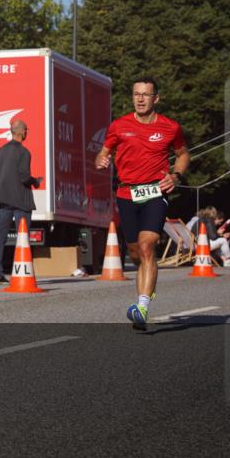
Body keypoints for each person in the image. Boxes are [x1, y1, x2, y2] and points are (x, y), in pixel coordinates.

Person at [95, 77, 189, 330]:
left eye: (146, 94)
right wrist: (101, 161)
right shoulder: (119, 126)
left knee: (148, 246)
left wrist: (176, 176)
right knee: (136, 253)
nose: (140, 99)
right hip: (126, 194)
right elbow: (103, 153)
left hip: (155, 193)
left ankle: (143, 306)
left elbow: (183, 154)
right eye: (136, 94)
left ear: (155, 98)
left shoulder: (171, 127)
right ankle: (145, 293)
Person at [0, 119, 41, 285]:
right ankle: (23, 272)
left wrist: (6, 177)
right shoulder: (24, 153)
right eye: (26, 130)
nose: (27, 133)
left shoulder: (0, 150)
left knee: (0, 238)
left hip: (4, 200)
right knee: (23, 238)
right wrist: (35, 181)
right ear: (22, 132)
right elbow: (24, 177)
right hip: (21, 201)